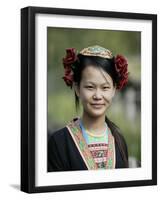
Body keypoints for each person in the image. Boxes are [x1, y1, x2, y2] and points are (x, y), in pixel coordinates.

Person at [48, 45, 129, 171]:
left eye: (105, 88)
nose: (97, 96)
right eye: (90, 87)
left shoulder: (118, 140)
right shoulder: (59, 142)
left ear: (114, 90)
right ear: (77, 88)